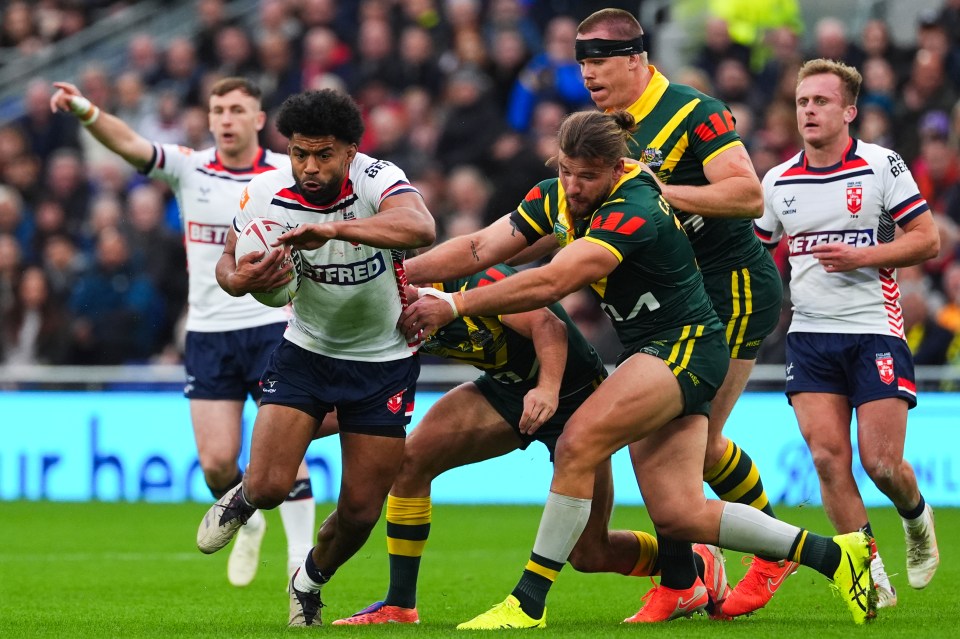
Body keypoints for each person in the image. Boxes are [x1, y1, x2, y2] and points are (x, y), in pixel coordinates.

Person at [399, 108, 877, 627]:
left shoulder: (635, 207)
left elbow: (553, 283)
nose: (573, 186)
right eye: (565, 171)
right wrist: (396, 272)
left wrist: (454, 305)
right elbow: (477, 247)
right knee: (679, 512)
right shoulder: (554, 195)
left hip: (683, 346)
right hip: (659, 349)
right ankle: (837, 556)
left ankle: (526, 602)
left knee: (576, 443)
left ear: (616, 167)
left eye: (586, 176)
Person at [331, 264, 729, 625]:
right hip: (504, 392)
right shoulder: (376, 318)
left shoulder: (472, 280)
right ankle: (399, 605)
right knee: (411, 460)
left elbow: (549, 326)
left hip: (576, 397)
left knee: (590, 554)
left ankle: (692, 562)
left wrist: (547, 390)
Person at [50, 76, 320, 586]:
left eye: (237, 109)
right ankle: (249, 518)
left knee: (284, 451)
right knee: (218, 465)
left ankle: (298, 563)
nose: (225, 118)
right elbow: (130, 144)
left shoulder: (286, 173)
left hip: (273, 327)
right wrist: (86, 108)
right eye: (218, 109)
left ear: (259, 120)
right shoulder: (190, 167)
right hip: (207, 333)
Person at [573, 8, 793, 618]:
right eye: (582, 63)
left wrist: (660, 190)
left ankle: (747, 558)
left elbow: (748, 196)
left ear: (638, 60)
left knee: (687, 446)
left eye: (600, 62)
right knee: (677, 443)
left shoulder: (695, 112)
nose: (589, 74)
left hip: (733, 288)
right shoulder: (603, 127)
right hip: (674, 300)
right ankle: (695, 571)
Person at [194, 88, 436, 628]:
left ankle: (309, 580)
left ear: (352, 150)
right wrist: (242, 282)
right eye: (300, 153)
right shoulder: (265, 191)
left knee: (358, 512)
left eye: (323, 154)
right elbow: (228, 263)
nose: (309, 166)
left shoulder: (377, 179)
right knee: (271, 486)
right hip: (306, 351)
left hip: (384, 361)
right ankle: (244, 499)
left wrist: (330, 228)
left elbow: (421, 227)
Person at [755, 58, 941, 608]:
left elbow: (927, 240)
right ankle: (871, 573)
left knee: (882, 465)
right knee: (828, 459)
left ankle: (915, 517)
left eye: (821, 102)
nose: (809, 111)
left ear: (849, 110)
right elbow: (759, 254)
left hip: (874, 330)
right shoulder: (777, 180)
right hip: (809, 336)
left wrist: (864, 255)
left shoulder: (882, 166)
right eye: (802, 102)